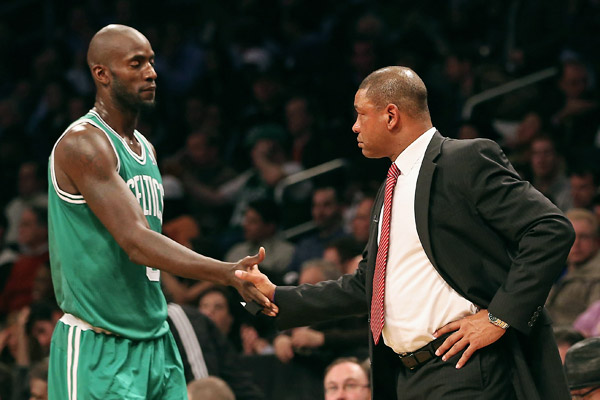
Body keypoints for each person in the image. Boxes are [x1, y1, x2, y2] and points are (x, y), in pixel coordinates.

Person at [238, 66, 575, 399]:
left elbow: (550, 229)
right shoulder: (390, 186)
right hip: (406, 377)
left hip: (467, 368)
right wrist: (275, 296)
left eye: (360, 114)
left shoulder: (463, 160)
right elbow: (366, 286)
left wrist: (500, 316)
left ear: (391, 116)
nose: (354, 126)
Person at [46, 24, 275, 400]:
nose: (151, 72)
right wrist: (226, 272)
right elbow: (136, 242)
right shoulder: (84, 144)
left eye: (151, 62)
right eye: (136, 63)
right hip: (99, 346)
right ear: (102, 74)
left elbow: (151, 245)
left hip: (156, 341)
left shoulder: (147, 149)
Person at [546, 209, 600, 327]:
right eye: (571, 236)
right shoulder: (554, 267)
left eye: (583, 237)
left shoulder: (596, 278)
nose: (576, 243)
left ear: (596, 241)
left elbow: (593, 327)